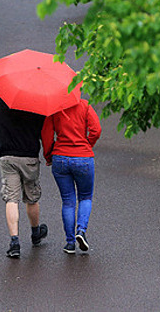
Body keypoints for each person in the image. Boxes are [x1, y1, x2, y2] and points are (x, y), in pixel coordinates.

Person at [41, 99, 102, 254]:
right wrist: (87, 145)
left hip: (60, 157)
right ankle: (81, 231)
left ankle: (69, 243)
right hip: (83, 158)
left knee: (68, 201)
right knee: (86, 197)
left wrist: (49, 156)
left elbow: (46, 134)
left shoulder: (54, 107)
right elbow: (96, 130)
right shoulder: (85, 105)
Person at [0, 96, 48, 258]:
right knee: (31, 197)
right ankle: (35, 232)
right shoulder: (36, 102)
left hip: (7, 154)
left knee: (11, 198)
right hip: (29, 154)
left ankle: (14, 242)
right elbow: (41, 128)